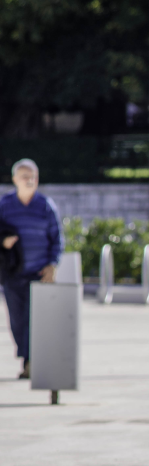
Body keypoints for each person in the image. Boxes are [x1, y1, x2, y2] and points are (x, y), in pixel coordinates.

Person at [0, 159, 63, 380]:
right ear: (15, 179)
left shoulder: (45, 205)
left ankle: (30, 362)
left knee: (34, 319)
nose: (30, 181)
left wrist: (52, 265)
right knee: (17, 320)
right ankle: (26, 356)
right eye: (25, 177)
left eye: (33, 177)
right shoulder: (5, 205)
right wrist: (4, 241)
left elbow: (57, 239)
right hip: (12, 274)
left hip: (38, 273)